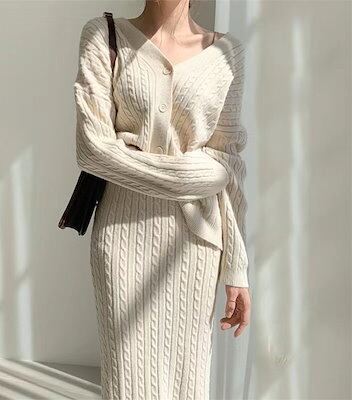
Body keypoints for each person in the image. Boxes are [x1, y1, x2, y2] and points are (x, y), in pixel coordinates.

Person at [73, 0, 251, 398]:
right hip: (121, 242)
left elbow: (229, 168)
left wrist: (237, 268)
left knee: (187, 384)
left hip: (196, 247)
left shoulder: (228, 53)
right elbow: (92, 150)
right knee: (127, 384)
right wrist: (195, 175)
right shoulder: (103, 36)